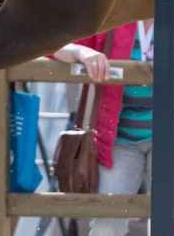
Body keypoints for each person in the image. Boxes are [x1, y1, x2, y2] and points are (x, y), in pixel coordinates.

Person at [52, 19, 156, 236]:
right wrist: (81, 52)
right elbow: (52, 45)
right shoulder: (114, 16)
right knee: (106, 227)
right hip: (117, 141)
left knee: (172, 222)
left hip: (171, 137)